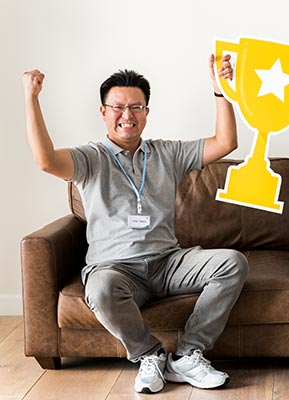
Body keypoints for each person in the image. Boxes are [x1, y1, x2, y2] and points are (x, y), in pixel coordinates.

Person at [22, 55, 249, 394]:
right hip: (115, 268)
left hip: (168, 262)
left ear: (146, 112)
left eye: (136, 107)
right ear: (103, 112)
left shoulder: (166, 153)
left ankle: (187, 355)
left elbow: (225, 143)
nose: (127, 115)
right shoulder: (90, 158)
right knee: (99, 289)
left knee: (232, 263)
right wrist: (31, 98)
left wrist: (222, 92)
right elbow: (45, 160)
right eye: (118, 107)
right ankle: (149, 354)